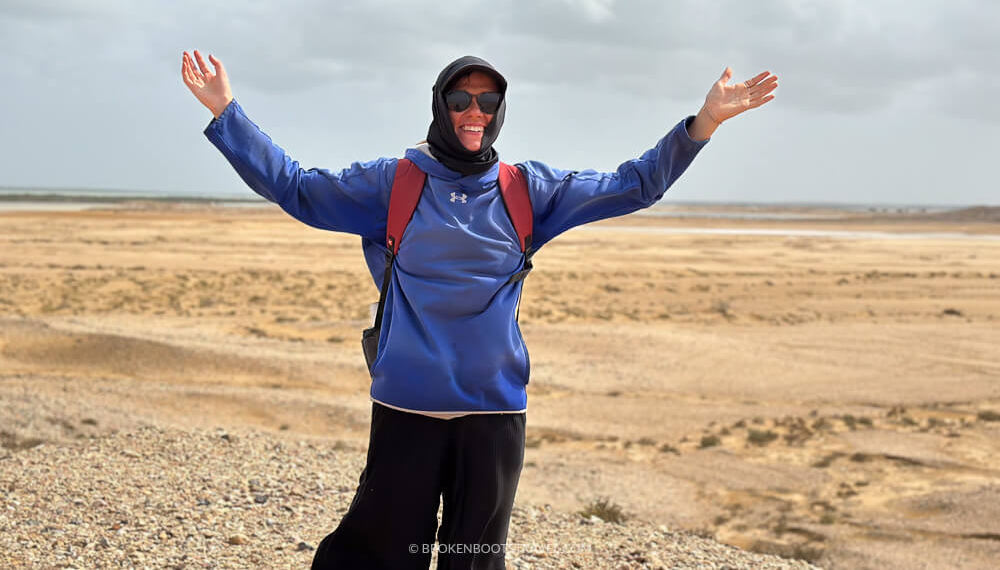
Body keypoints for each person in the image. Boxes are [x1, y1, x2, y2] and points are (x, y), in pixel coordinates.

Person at [181, 49, 777, 569]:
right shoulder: (396, 183)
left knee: (474, 559)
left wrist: (705, 122)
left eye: (488, 100)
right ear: (440, 105)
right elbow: (297, 187)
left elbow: (636, 184)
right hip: (406, 406)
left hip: (493, 416)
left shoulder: (528, 190)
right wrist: (226, 113)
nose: (475, 112)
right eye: (462, 99)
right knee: (383, 553)